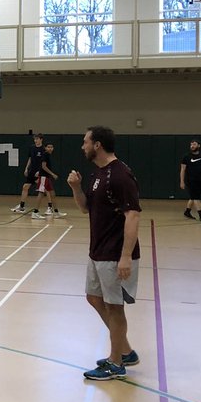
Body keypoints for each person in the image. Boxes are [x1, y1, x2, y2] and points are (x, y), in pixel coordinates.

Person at [67, 125, 142, 382]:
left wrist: (125, 256)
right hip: (97, 250)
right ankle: (126, 351)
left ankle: (115, 362)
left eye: (85, 141)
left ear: (97, 144)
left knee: (114, 306)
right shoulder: (98, 173)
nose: (83, 146)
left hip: (114, 253)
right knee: (93, 297)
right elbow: (85, 208)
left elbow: (133, 215)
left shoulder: (120, 175)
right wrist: (76, 188)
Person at [11, 133, 45, 213]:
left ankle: (50, 207)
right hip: (32, 171)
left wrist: (40, 171)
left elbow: (44, 162)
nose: (35, 140)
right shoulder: (32, 148)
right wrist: (26, 168)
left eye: (37, 139)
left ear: (41, 139)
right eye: (34, 139)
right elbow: (30, 158)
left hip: (40, 172)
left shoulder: (43, 150)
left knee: (45, 189)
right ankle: (22, 206)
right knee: (25, 187)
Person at [34, 142, 65, 217]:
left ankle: (56, 212)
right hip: (44, 177)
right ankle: (35, 212)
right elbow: (44, 166)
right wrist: (52, 174)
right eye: (48, 147)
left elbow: (42, 166)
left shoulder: (47, 155)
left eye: (51, 147)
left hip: (47, 177)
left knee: (52, 194)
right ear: (45, 148)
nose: (50, 148)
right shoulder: (45, 155)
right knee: (41, 193)